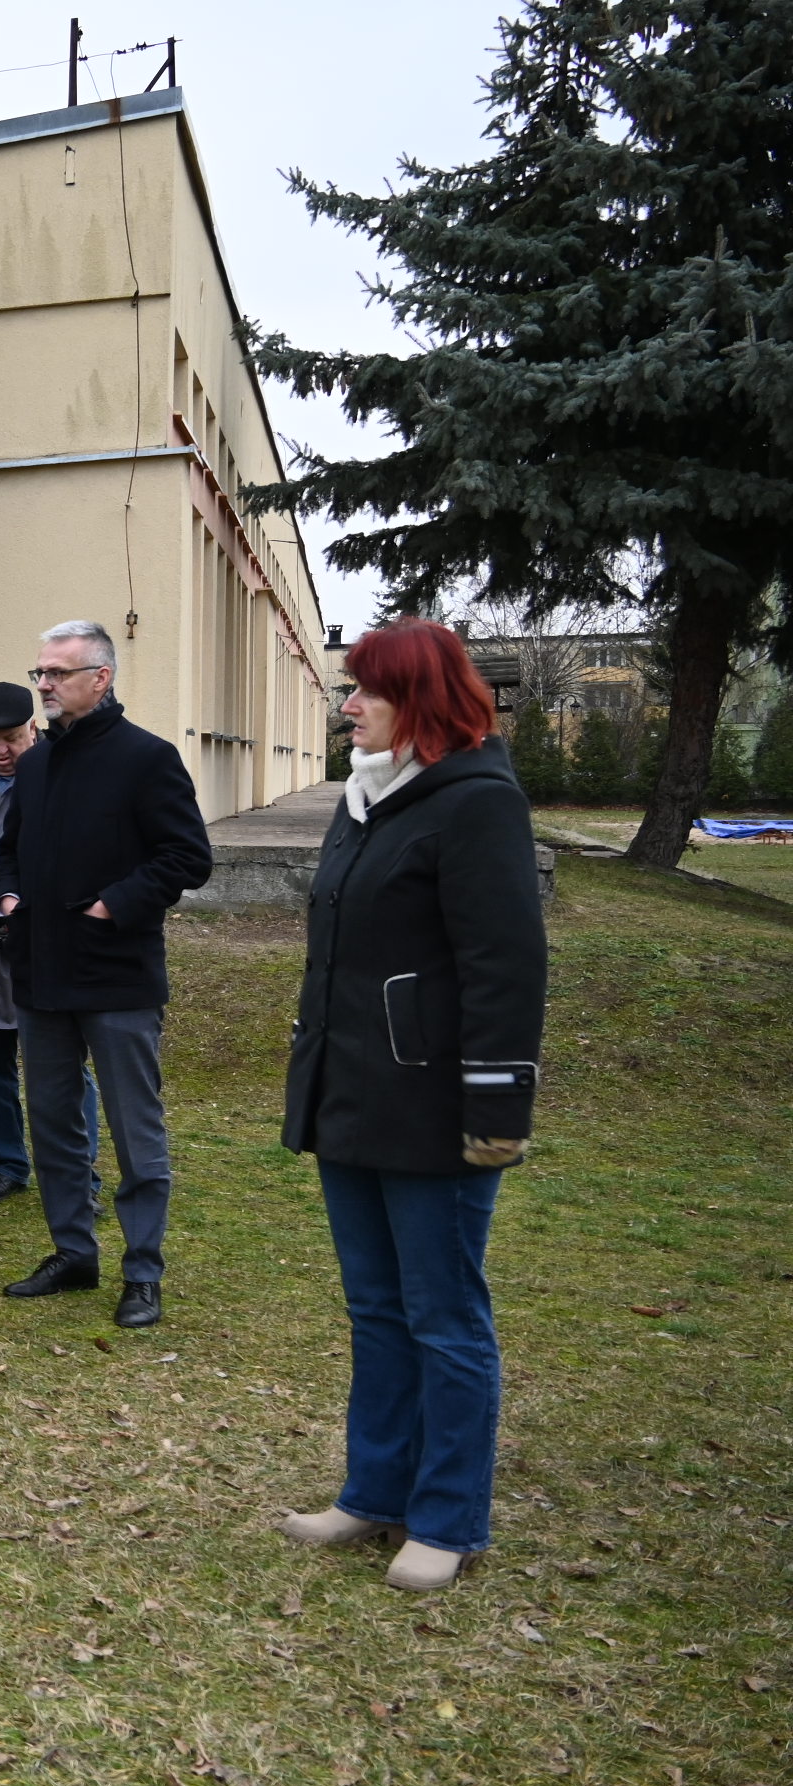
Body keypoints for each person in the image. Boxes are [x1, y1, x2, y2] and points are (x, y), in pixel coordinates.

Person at [279, 619, 544, 1593]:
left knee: (444, 1314)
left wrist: (495, 1102)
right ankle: (375, 1491)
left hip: (438, 1108)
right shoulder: (365, 796)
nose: (347, 704)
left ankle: (447, 1517)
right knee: (377, 1308)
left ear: (420, 698)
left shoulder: (475, 800)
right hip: (351, 1097)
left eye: (365, 690)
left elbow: (505, 964)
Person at [0, 618, 212, 1328]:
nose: (45, 686)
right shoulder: (35, 763)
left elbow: (187, 858)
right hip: (41, 977)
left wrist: (112, 905)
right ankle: (73, 1253)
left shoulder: (148, 758)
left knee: (133, 1132)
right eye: (40, 674)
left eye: (57, 674)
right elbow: (13, 850)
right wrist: (9, 893)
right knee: (54, 1125)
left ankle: (142, 1272)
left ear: (101, 678)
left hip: (117, 978)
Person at [0, 681, 96, 1205]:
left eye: (12, 737)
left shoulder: (64, 767)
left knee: (61, 1066)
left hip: (43, 946)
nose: (2, 751)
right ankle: (6, 1165)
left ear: (33, 727)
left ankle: (80, 1178)